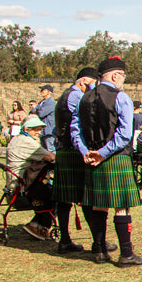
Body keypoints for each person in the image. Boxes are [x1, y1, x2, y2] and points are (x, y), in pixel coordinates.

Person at [71, 56, 142, 267]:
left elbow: (75, 130)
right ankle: (126, 254)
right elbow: (124, 134)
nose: (123, 79)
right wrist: (103, 153)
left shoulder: (84, 98)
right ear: (115, 76)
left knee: (99, 206)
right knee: (122, 207)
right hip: (115, 157)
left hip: (92, 158)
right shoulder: (121, 97)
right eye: (123, 75)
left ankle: (100, 251)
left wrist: (86, 152)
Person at [53, 67, 100, 254]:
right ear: (83, 82)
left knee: (64, 200)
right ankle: (98, 242)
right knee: (86, 197)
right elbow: (83, 122)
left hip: (64, 150)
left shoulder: (65, 95)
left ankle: (66, 240)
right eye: (91, 85)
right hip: (74, 151)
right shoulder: (76, 96)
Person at [5, 117, 56, 240]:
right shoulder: (27, 142)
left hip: (14, 183)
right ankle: (37, 225)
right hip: (24, 187)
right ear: (26, 129)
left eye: (40, 129)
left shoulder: (16, 139)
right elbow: (51, 157)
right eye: (35, 129)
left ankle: (37, 224)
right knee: (58, 194)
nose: (38, 132)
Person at [34, 84, 57, 151]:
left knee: (50, 149)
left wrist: (36, 111)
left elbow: (41, 114)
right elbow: (32, 111)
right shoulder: (41, 102)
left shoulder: (50, 102)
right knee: (44, 151)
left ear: (49, 92)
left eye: (43, 90)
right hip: (42, 131)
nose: (41, 91)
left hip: (49, 131)